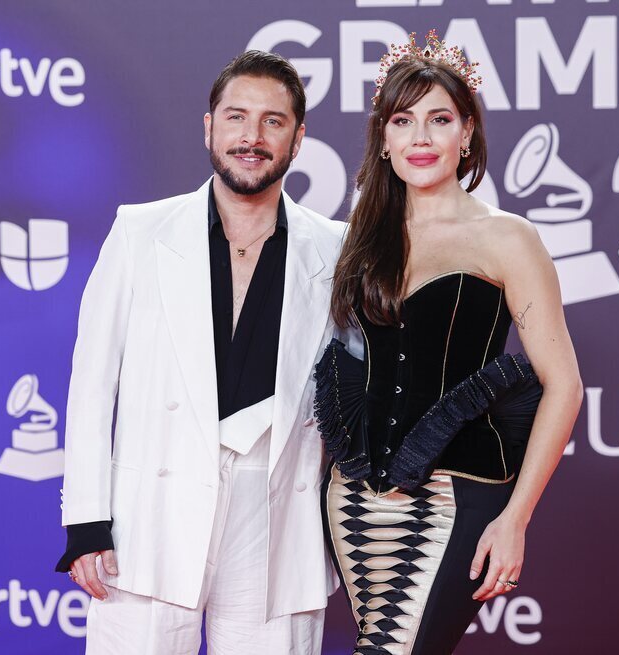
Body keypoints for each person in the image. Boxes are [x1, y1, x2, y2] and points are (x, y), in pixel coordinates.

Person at [54, 50, 344, 654]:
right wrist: (85, 521)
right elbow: (91, 385)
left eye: (273, 121)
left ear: (298, 139)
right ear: (209, 126)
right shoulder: (140, 232)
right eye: (237, 117)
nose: (252, 136)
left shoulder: (337, 249)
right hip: (149, 516)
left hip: (277, 517)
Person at [313, 31, 583, 654]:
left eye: (440, 120)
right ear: (384, 139)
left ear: (467, 134)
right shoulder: (361, 235)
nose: (421, 138)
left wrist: (515, 518)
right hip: (354, 499)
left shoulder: (507, 238)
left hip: (457, 494)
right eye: (403, 121)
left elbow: (563, 385)